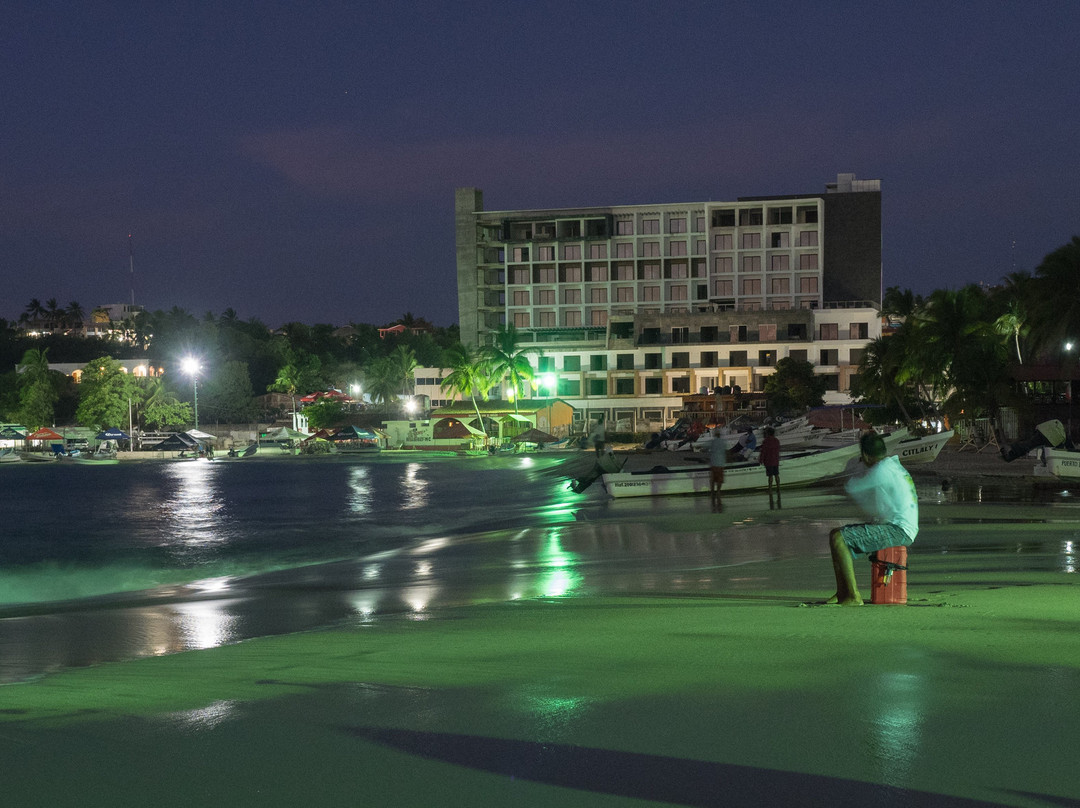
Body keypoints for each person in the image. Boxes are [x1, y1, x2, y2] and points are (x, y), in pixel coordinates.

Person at [825, 431, 918, 606]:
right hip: (899, 526)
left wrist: (853, 468)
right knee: (835, 534)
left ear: (866, 455)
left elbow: (852, 488)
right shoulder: (893, 466)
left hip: (898, 530)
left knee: (839, 538)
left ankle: (854, 596)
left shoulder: (881, 471)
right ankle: (842, 592)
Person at [759, 426, 781, 509]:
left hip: (768, 461)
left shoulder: (766, 441)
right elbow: (778, 450)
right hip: (775, 460)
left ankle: (770, 489)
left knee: (770, 476)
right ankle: (778, 488)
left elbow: (763, 451)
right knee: (776, 475)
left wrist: (761, 460)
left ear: (768, 433)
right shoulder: (776, 441)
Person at [708, 424, 728, 512]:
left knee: (713, 479)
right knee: (719, 479)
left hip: (713, 462)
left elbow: (708, 449)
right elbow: (726, 452)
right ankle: (718, 492)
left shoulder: (713, 442)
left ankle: (712, 492)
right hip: (720, 463)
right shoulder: (723, 442)